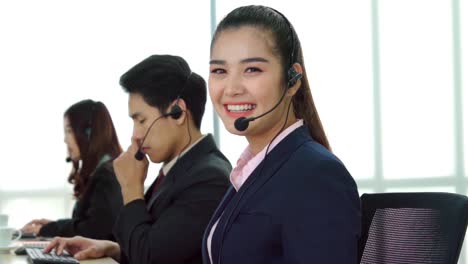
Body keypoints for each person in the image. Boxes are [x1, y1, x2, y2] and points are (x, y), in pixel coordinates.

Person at [203, 5, 361, 264]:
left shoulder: (316, 175)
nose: (230, 89)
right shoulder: (253, 169)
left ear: (292, 80)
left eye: (252, 69)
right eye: (220, 71)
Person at [44, 55, 232, 264]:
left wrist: (132, 189)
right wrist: (113, 249)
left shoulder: (209, 178)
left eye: (141, 120)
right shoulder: (177, 170)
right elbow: (159, 244)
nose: (136, 135)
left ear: (178, 113)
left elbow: (150, 258)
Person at [21, 99, 123, 240]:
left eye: (69, 130)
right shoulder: (102, 170)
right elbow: (90, 222)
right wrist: (54, 226)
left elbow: (95, 230)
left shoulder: (107, 175)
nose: (65, 139)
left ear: (88, 134)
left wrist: (48, 229)